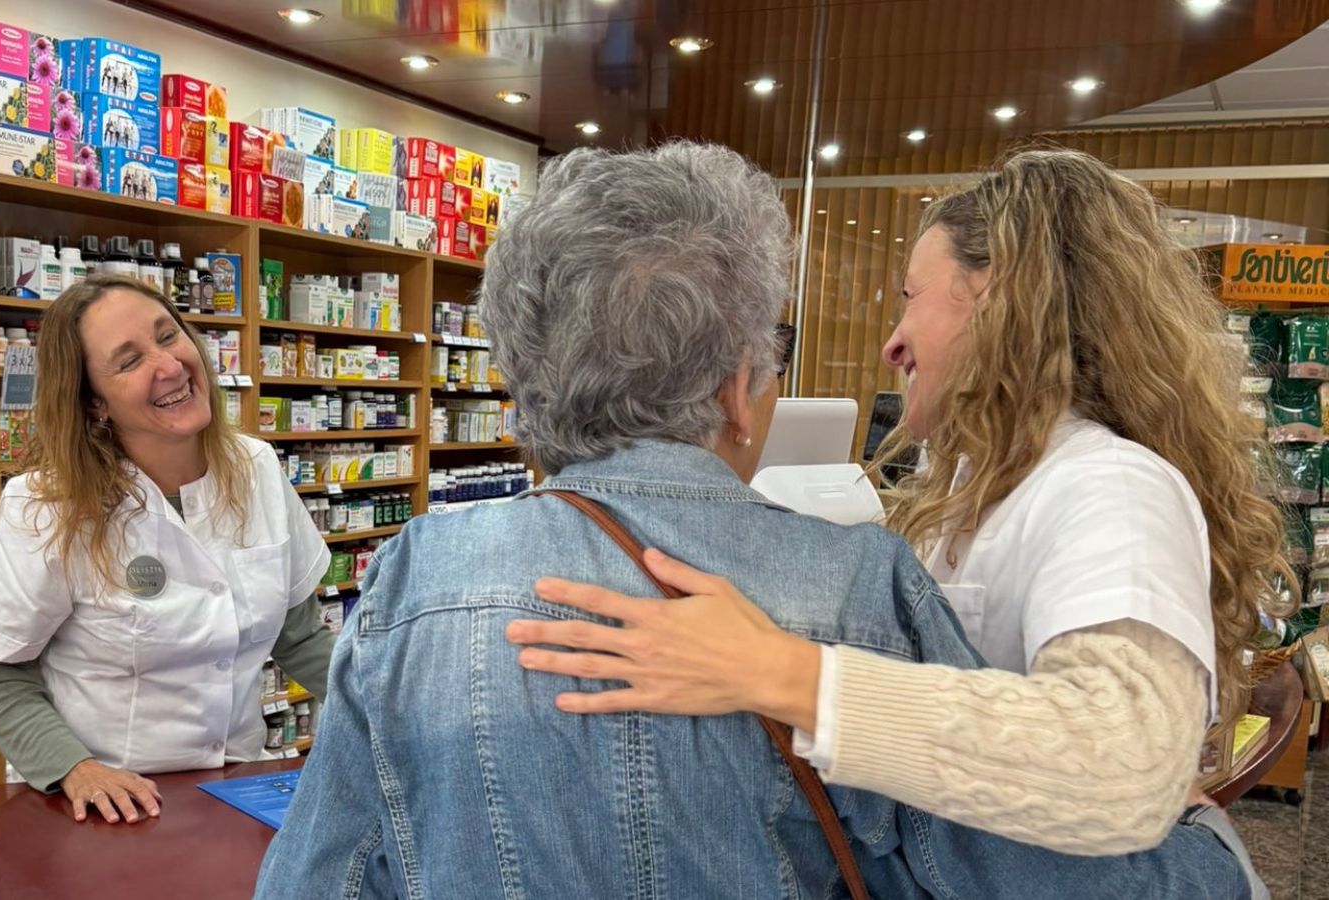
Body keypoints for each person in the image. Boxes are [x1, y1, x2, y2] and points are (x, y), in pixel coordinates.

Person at [255, 142, 1262, 899]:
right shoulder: (862, 580)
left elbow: (327, 868)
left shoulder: (419, 572)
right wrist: (1209, 861)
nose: (892, 340)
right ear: (739, 390)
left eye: (909, 299)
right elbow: (978, 870)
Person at [505, 148, 1294, 855]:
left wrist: (778, 670)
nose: (892, 341)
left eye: (913, 296)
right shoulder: (978, 481)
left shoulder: (1108, 484)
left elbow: (1120, 766)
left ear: (1004, 301)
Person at [0, 276, 335, 826]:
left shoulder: (257, 468)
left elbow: (299, 637)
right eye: (129, 361)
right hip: (109, 806)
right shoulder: (48, 505)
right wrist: (73, 768)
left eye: (168, 335)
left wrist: (397, 717)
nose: (170, 366)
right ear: (93, 401)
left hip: (241, 787)